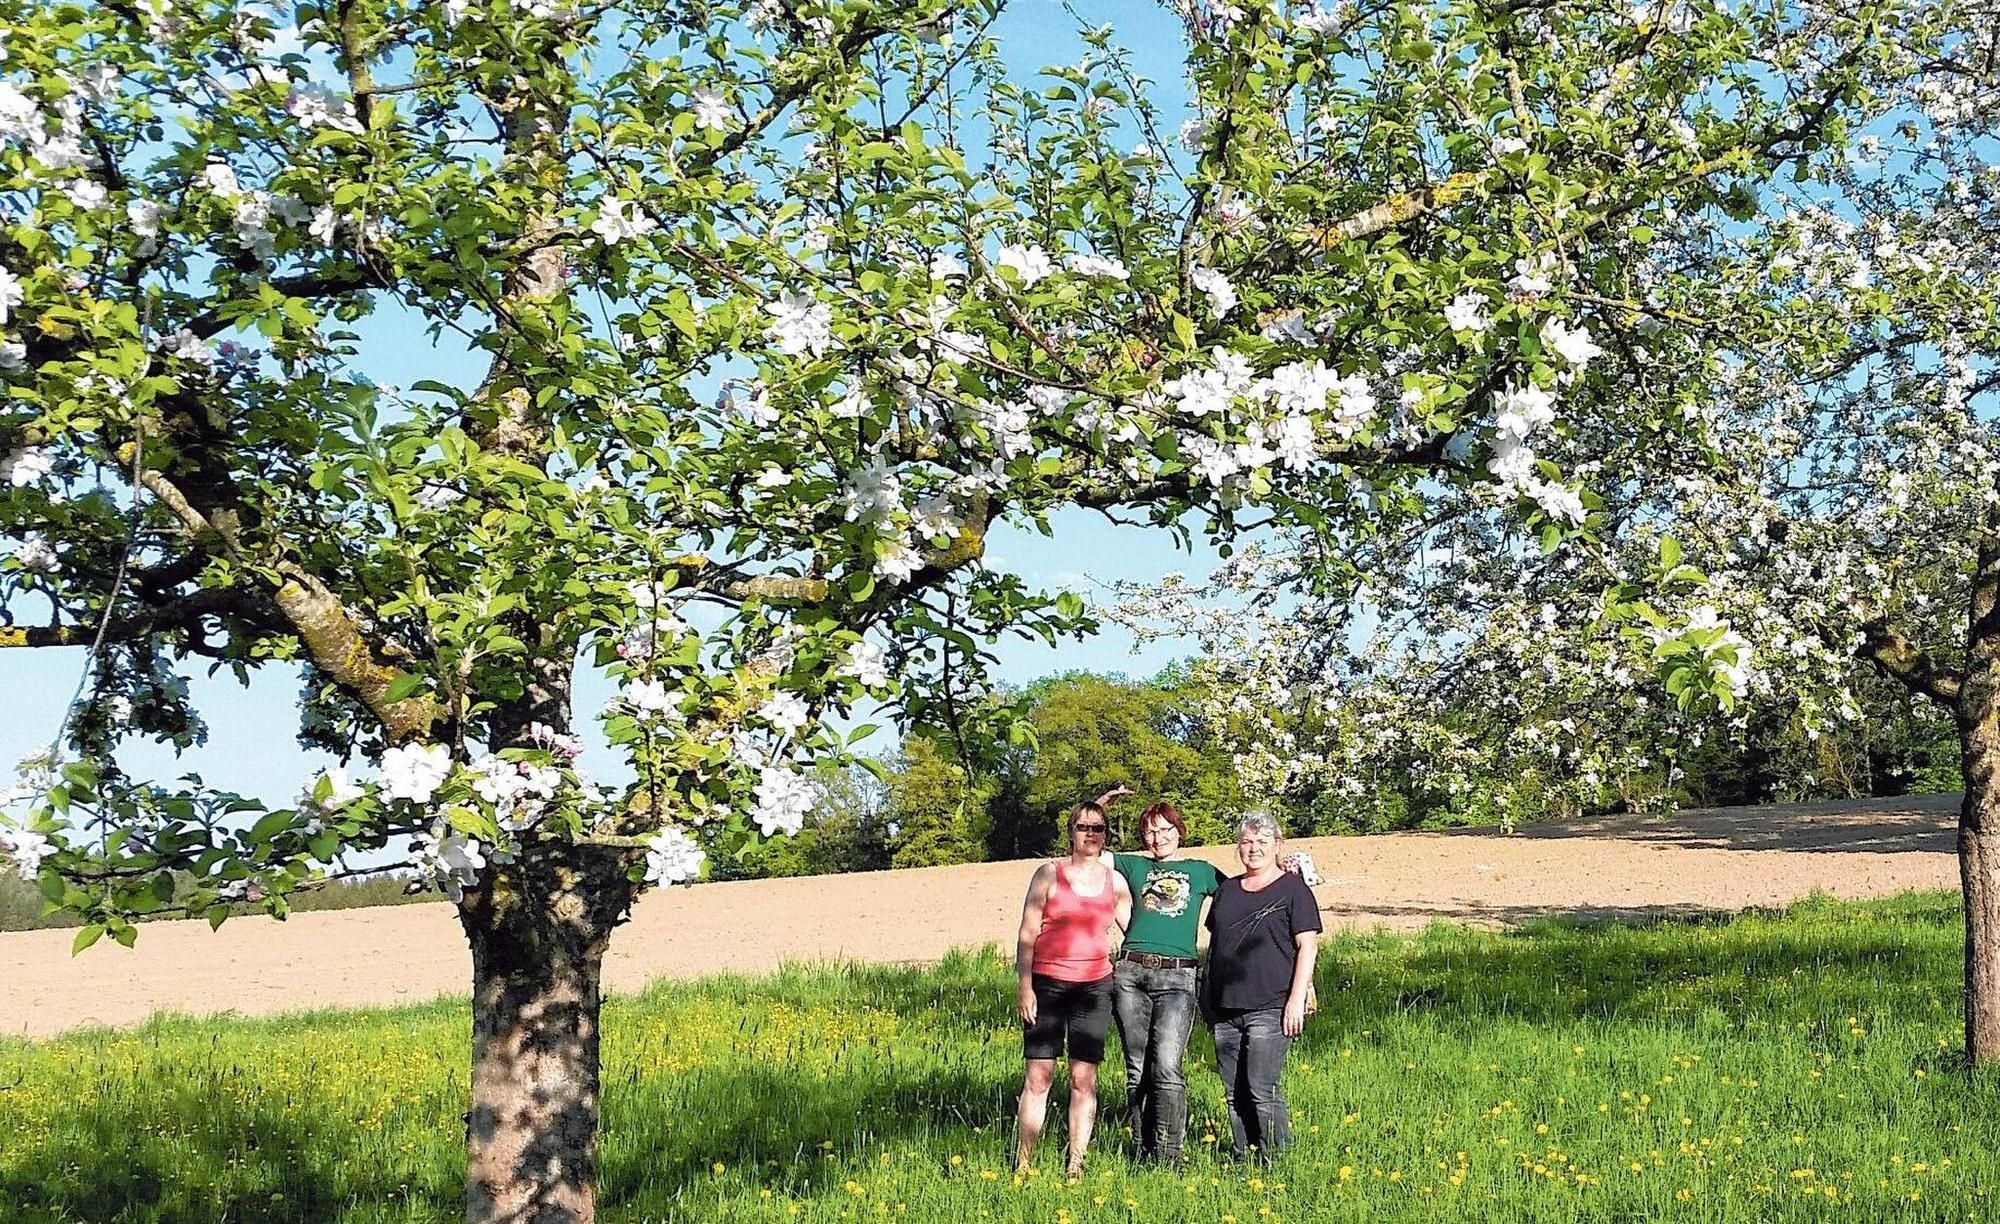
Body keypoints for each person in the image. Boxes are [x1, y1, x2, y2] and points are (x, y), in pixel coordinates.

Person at [1013, 799, 1134, 1178]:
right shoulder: (1048, 874)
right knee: (1039, 1077)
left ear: (1106, 835)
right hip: (1047, 985)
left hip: (1094, 988)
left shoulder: (1114, 882)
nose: (1090, 834)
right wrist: (1025, 986)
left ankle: (1075, 1165)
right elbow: (1027, 933)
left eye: (1098, 828)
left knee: (1083, 1078)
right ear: (1071, 833)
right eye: (1083, 827)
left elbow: (1136, 931)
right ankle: (1024, 1163)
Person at [1108, 800, 1223, 1166]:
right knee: (1137, 1067)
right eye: (1150, 831)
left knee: (1167, 1065)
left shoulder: (1200, 871)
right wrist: (1101, 804)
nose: (1158, 838)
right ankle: (1144, 1151)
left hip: (1178, 975)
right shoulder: (1134, 865)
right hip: (1131, 973)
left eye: (1165, 829)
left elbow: (1244, 893)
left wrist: (1284, 870)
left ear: (1179, 831)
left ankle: (1170, 1155)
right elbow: (1086, 846)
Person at [1203, 810, 1321, 1162]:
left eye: (1261, 842)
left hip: (1271, 1006)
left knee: (1260, 1088)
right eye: (1246, 842)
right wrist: (1206, 1000)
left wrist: (1297, 998)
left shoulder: (1292, 889)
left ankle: (1278, 1161)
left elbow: (1308, 945)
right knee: (1233, 1092)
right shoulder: (1226, 892)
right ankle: (1244, 1157)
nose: (1253, 848)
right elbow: (1216, 946)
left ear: (1277, 846)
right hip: (1225, 1008)